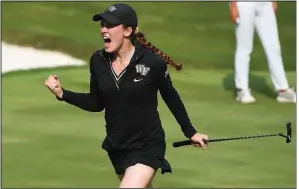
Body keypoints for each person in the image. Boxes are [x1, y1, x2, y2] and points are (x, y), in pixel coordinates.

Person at [44, 3, 208, 188]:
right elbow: (95, 103)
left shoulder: (152, 63)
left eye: (110, 25)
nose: (103, 30)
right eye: (102, 25)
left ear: (128, 31)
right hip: (117, 147)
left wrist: (191, 132)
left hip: (147, 145)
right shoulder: (98, 61)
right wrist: (62, 93)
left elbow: (171, 97)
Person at [230, 1, 296, 104]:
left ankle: (283, 90)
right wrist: (234, 4)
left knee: (273, 47)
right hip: (243, 4)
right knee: (245, 47)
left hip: (264, 4)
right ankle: (242, 89)